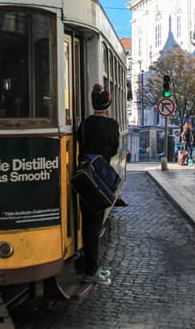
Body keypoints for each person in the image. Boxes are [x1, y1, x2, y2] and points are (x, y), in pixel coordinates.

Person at [78, 84, 119, 285]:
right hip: (101, 178)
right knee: (95, 224)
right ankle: (91, 269)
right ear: (108, 104)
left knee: (88, 223)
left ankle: (89, 263)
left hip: (85, 177)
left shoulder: (84, 124)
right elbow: (114, 149)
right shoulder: (112, 125)